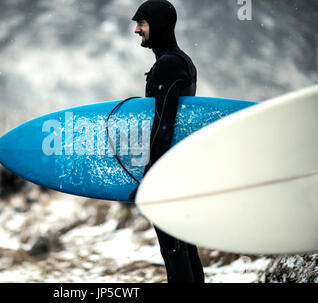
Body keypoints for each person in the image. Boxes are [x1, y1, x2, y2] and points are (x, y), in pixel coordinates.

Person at [130, 0, 205, 283]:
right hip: (181, 165)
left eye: (142, 23)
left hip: (169, 170)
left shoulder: (169, 65)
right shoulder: (181, 60)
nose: (137, 30)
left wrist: (152, 172)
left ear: (158, 26)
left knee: (174, 251)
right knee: (184, 246)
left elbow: (164, 123)